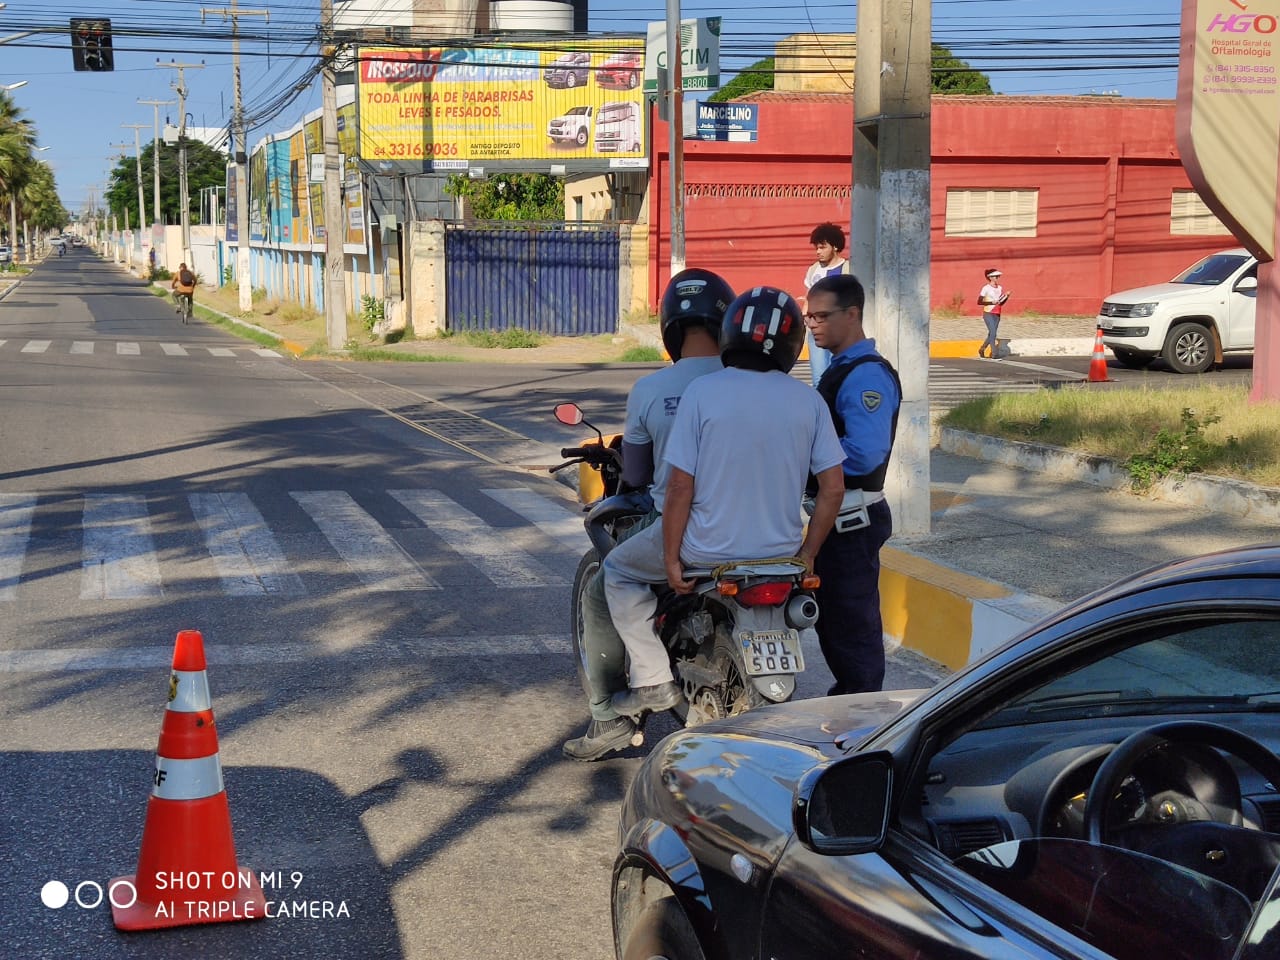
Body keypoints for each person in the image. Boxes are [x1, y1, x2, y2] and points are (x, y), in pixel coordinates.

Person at [604, 286, 847, 718]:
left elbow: (679, 488)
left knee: (618, 571)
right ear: (792, 346)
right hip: (778, 557)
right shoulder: (809, 400)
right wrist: (808, 554)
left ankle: (654, 679)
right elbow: (832, 489)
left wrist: (672, 558)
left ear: (731, 331)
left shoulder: (703, 393)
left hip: (707, 552)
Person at [562, 268, 734, 761]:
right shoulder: (750, 384)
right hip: (765, 534)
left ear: (670, 329)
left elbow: (638, 474)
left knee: (606, 584)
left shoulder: (654, 388)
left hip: (683, 529)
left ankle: (610, 717)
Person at [803, 273, 902, 695]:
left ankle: (862, 719)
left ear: (853, 314)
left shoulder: (865, 376)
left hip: (852, 518)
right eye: (809, 317)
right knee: (835, 624)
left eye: (823, 316)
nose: (813, 325)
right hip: (836, 515)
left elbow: (865, 453)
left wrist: (804, 453)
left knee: (853, 628)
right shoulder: (841, 369)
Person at [802, 222, 851, 386]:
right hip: (816, 330)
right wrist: (806, 320)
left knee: (838, 376)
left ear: (835, 246)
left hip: (839, 330)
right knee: (819, 379)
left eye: (822, 247)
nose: (818, 252)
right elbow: (808, 298)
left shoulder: (847, 269)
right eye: (816, 247)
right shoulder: (813, 270)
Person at [977, 267, 1010, 359]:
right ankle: (994, 353)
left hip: (997, 313)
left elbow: (1001, 303)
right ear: (990, 277)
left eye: (998, 276)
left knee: (992, 333)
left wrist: (1006, 296)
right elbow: (979, 302)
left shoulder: (1000, 288)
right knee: (993, 333)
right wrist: (991, 303)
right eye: (996, 276)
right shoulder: (985, 288)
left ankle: (982, 349)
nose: (997, 278)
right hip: (988, 313)